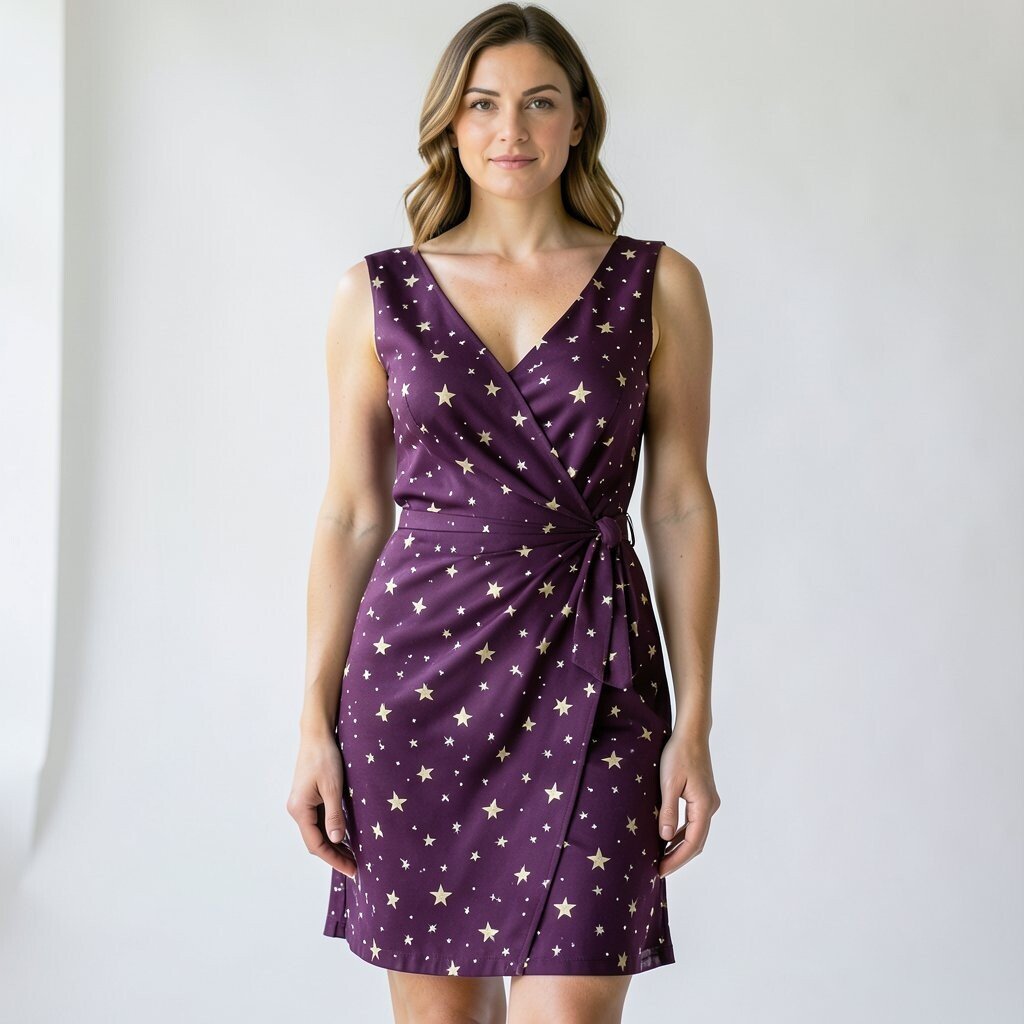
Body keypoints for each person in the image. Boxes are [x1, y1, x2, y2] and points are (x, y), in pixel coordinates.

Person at [287, 4, 720, 1021]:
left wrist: (695, 719)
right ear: (450, 122)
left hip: (597, 672)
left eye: (539, 103)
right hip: (417, 684)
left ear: (580, 120)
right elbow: (350, 513)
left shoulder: (658, 284)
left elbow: (679, 504)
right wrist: (312, 719)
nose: (509, 130)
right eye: (482, 104)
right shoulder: (375, 294)